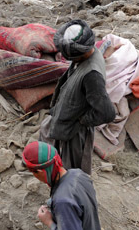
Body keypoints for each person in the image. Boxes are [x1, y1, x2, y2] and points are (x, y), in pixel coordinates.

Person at [40, 19, 116, 174]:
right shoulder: (87, 54)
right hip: (67, 124)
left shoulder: (92, 75)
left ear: (78, 54)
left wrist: (81, 121)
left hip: (75, 134)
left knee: (72, 175)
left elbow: (107, 112)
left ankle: (71, 197)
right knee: (60, 166)